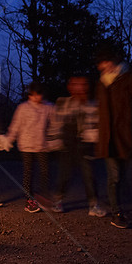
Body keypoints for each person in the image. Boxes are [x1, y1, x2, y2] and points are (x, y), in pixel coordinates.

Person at [96, 46, 132, 229]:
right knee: (114, 176)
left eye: (104, 62)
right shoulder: (102, 82)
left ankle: (119, 205)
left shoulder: (128, 77)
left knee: (125, 175)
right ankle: (117, 212)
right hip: (108, 138)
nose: (102, 67)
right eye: (100, 64)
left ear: (112, 61)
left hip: (124, 134)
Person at [49, 75, 106, 217]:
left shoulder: (93, 104)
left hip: (85, 144)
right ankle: (58, 201)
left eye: (83, 84)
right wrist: (53, 142)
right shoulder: (63, 102)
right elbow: (56, 123)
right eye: (75, 84)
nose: (79, 88)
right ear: (70, 87)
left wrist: (96, 139)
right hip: (67, 145)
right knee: (64, 174)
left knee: (89, 175)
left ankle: (93, 205)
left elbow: (97, 125)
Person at [0, 82, 55, 213]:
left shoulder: (49, 107)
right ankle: (29, 200)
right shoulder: (23, 108)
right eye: (33, 95)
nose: (36, 98)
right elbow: (15, 126)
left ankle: (43, 196)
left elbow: (54, 125)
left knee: (45, 171)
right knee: (28, 173)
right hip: (26, 145)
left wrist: (54, 140)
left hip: (42, 145)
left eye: (38, 95)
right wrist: (9, 139)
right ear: (29, 95)